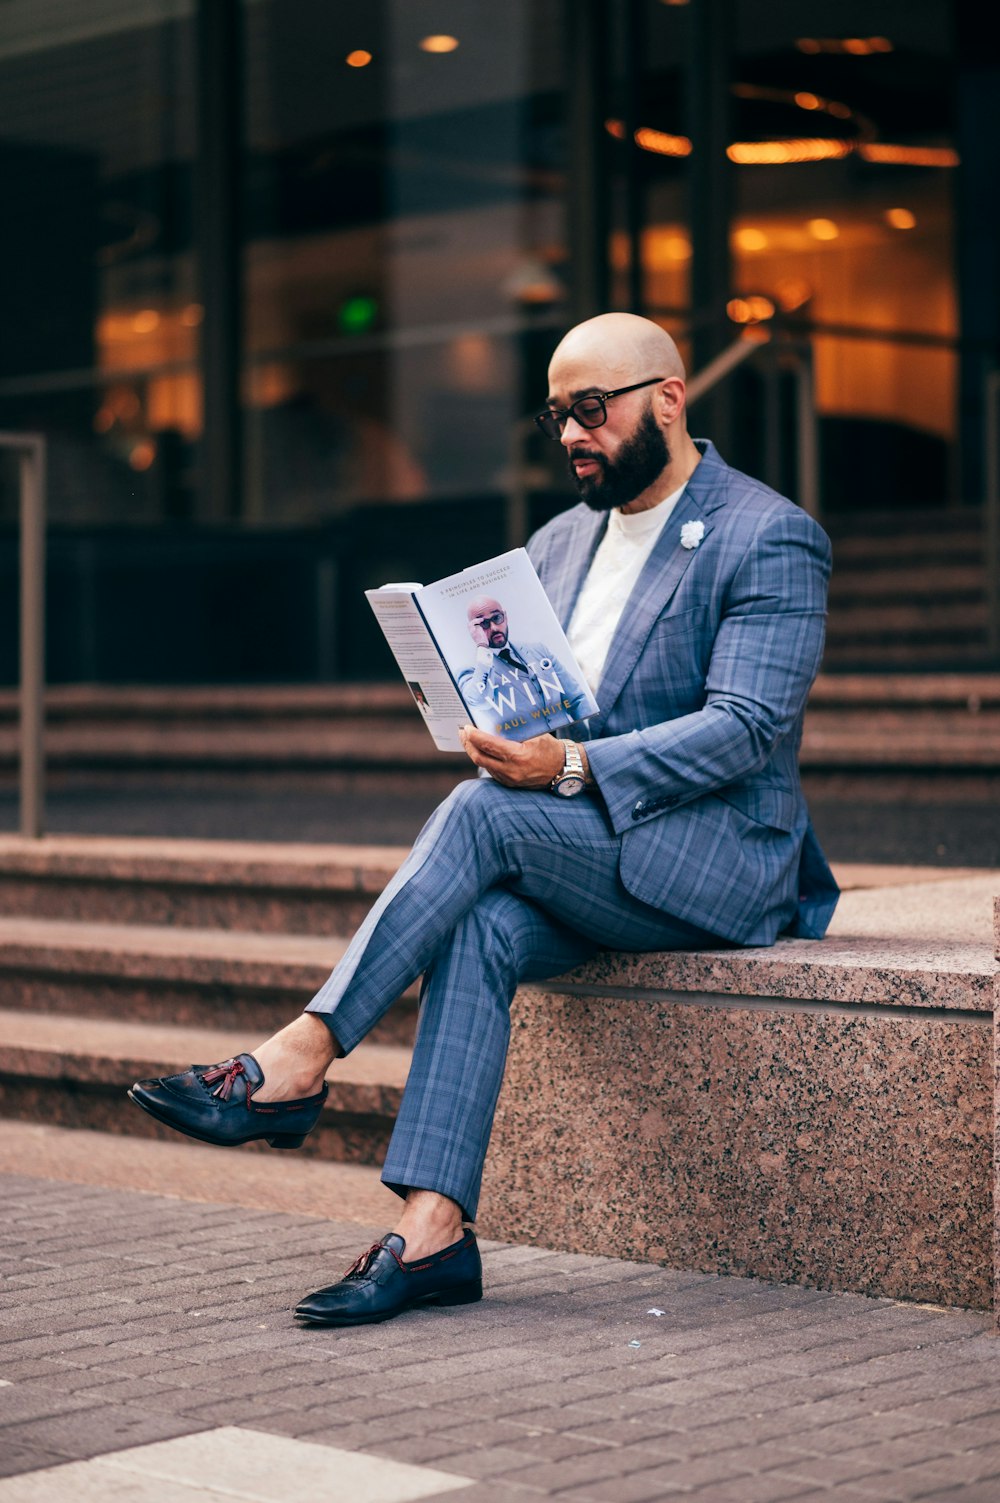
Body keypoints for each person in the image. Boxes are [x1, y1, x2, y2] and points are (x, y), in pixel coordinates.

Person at [129, 312, 839, 1328]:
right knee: (484, 921)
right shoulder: (555, 541)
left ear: (667, 399)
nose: (570, 435)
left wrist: (570, 763)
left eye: (590, 410)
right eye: (556, 415)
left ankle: (299, 1058)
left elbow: (745, 728)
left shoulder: (764, 532)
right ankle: (433, 1233)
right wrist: (489, 721)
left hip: (722, 854)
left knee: (483, 821)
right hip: (585, 835)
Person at [460, 595, 591, 734]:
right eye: (483, 624)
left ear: (505, 617)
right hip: (523, 753)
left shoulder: (538, 650)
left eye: (497, 618)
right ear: (473, 629)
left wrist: (589, 738)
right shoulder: (471, 671)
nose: (494, 628)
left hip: (570, 745)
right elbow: (478, 701)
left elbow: (576, 699)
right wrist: (482, 646)